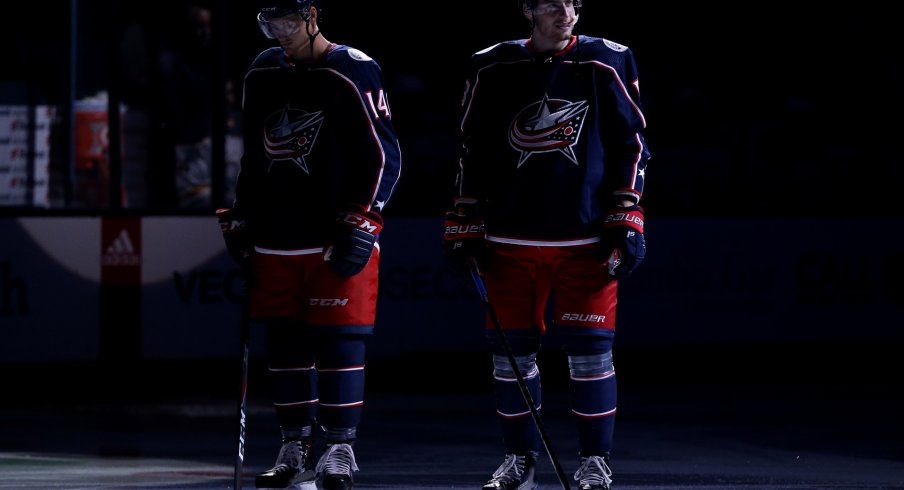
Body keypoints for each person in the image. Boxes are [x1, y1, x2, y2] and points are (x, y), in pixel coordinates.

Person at [443, 1, 650, 489]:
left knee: (591, 354)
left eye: (571, 4)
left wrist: (628, 214)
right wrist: (464, 217)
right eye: (552, 5)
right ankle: (519, 459)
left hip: (586, 239)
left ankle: (594, 462)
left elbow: (633, 141)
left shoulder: (607, 59)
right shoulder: (491, 63)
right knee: (510, 355)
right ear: (527, 11)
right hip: (509, 237)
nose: (565, 13)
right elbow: (471, 144)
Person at [216, 0, 401, 488]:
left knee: (340, 342)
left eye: (288, 22)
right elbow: (254, 155)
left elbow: (384, 154)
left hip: (334, 233)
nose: (280, 33)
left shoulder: (352, 69)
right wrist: (241, 215)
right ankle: (293, 444)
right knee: (285, 343)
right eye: (270, 24)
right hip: (277, 234)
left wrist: (365, 221)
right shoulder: (262, 71)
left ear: (312, 17)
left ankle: (339, 449)